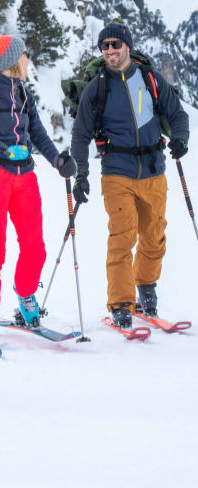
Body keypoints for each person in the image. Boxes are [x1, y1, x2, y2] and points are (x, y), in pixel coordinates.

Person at [0, 33, 77, 346]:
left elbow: (37, 132)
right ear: (12, 59)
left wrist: (57, 160)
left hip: (25, 177)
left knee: (35, 247)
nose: (28, 59)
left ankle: (25, 294)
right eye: (25, 54)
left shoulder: (23, 92)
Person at [70, 22, 189, 327]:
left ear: (127, 46)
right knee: (123, 237)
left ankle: (146, 289)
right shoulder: (97, 88)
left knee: (154, 236)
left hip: (154, 170)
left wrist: (181, 138)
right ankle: (121, 304)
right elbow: (80, 135)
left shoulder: (150, 79)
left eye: (115, 44)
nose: (110, 50)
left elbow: (177, 114)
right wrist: (81, 175)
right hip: (116, 172)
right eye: (105, 46)